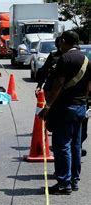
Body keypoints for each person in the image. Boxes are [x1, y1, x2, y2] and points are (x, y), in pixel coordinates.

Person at [38, 30, 91, 195]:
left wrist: (47, 106)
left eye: (61, 42)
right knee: (76, 145)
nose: (59, 45)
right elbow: (89, 86)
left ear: (64, 41)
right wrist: (84, 101)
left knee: (62, 146)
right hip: (81, 107)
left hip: (65, 108)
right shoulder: (86, 59)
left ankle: (64, 183)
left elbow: (58, 85)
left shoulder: (65, 59)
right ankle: (74, 180)